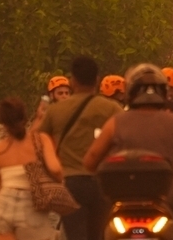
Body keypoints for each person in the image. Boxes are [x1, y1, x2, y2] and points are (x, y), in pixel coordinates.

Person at [83, 64, 173, 221]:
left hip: (123, 205)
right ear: (163, 92)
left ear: (130, 92)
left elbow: (90, 161)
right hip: (169, 203)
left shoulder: (116, 123)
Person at [39, 56, 122, 240]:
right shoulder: (111, 108)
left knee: (75, 234)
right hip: (102, 182)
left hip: (72, 183)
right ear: (97, 79)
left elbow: (39, 137)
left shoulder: (55, 111)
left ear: (72, 80)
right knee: (99, 234)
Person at [0, 98, 63, 240]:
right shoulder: (41, 140)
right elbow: (55, 169)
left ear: (3, 123)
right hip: (31, 208)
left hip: (1, 207)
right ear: (25, 118)